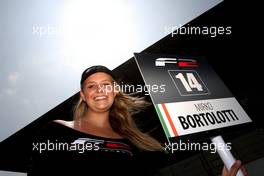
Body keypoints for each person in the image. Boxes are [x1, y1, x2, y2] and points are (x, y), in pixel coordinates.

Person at [29, 65, 248, 176]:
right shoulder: (56, 130)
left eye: (106, 84)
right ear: (83, 95)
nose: (99, 90)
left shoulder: (133, 142)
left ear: (115, 91)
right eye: (91, 85)